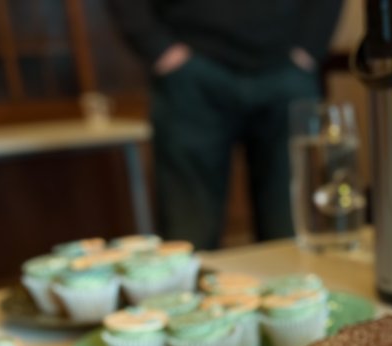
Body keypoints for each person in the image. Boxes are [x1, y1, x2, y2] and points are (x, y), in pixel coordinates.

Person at [107, 1, 345, 248]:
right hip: (191, 75)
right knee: (189, 234)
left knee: (290, 230)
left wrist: (310, 46)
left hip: (286, 70)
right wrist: (158, 48)